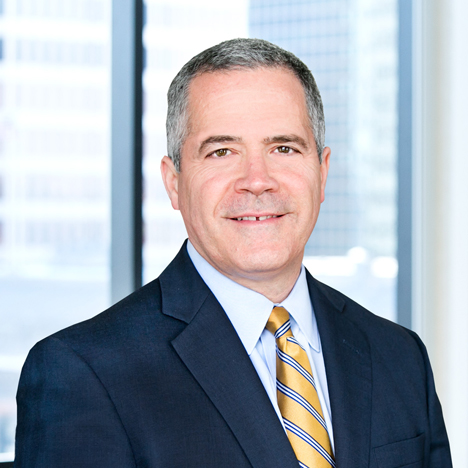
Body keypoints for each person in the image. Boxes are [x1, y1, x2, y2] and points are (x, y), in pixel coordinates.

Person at [14, 38, 451, 467]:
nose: (257, 180)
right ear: (173, 183)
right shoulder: (83, 374)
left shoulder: (399, 355)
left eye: (284, 147)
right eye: (222, 151)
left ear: (322, 171)